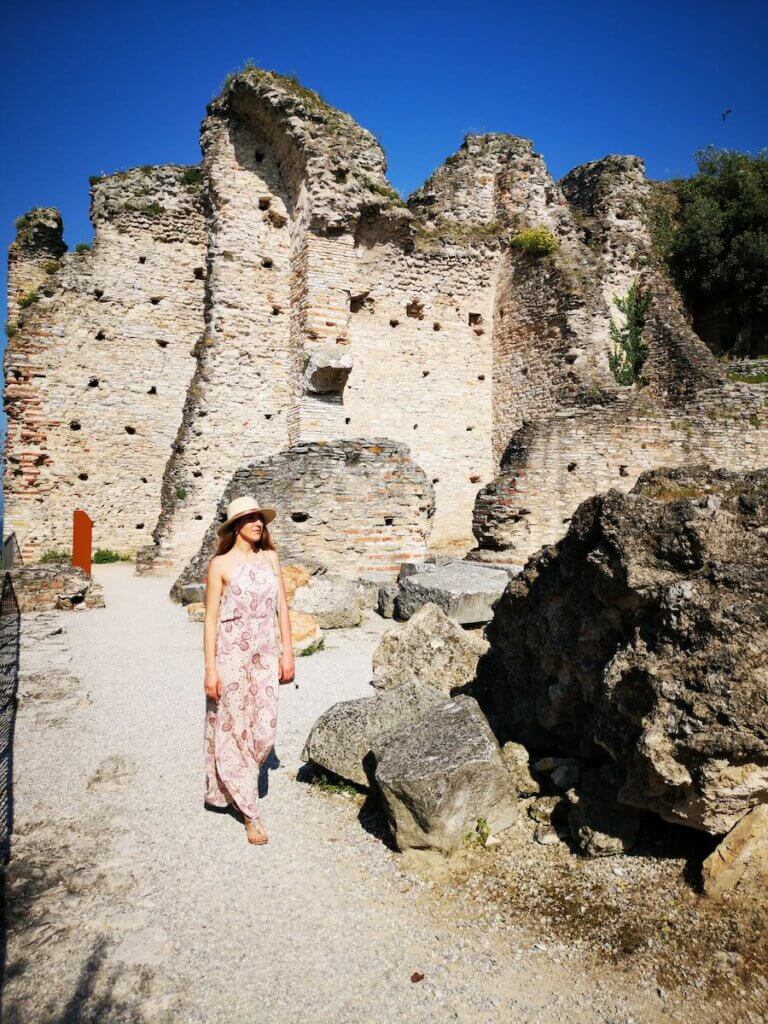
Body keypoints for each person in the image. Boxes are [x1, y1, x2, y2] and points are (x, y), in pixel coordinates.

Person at [202, 494, 295, 845]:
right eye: (251, 519)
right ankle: (250, 812)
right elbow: (210, 620)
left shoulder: (271, 558)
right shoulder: (220, 565)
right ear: (236, 526)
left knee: (264, 731)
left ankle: (232, 784)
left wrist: (288, 654)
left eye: (261, 519)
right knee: (234, 727)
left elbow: (282, 609)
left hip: (266, 655)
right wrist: (211, 669)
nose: (259, 523)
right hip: (231, 657)